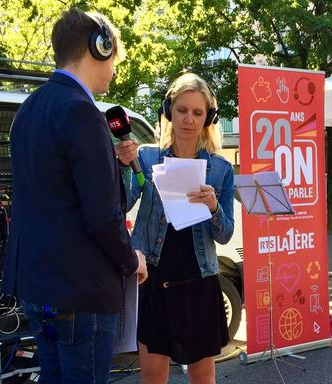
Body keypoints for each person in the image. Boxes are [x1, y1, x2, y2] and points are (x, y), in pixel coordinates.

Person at [1, 8, 147, 384]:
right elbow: (101, 217)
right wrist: (131, 260)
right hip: (81, 291)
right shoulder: (82, 113)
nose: (115, 67)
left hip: (38, 285)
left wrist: (109, 162)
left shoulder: (30, 108)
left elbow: (53, 190)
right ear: (99, 48)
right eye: (113, 56)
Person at [122, 73, 234, 384]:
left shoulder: (221, 168)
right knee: (154, 375)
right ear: (169, 110)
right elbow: (122, 201)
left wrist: (213, 208)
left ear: (209, 118)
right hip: (154, 279)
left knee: (203, 375)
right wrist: (122, 165)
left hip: (199, 280)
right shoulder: (146, 157)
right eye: (182, 110)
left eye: (198, 112)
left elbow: (224, 234)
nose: (188, 119)